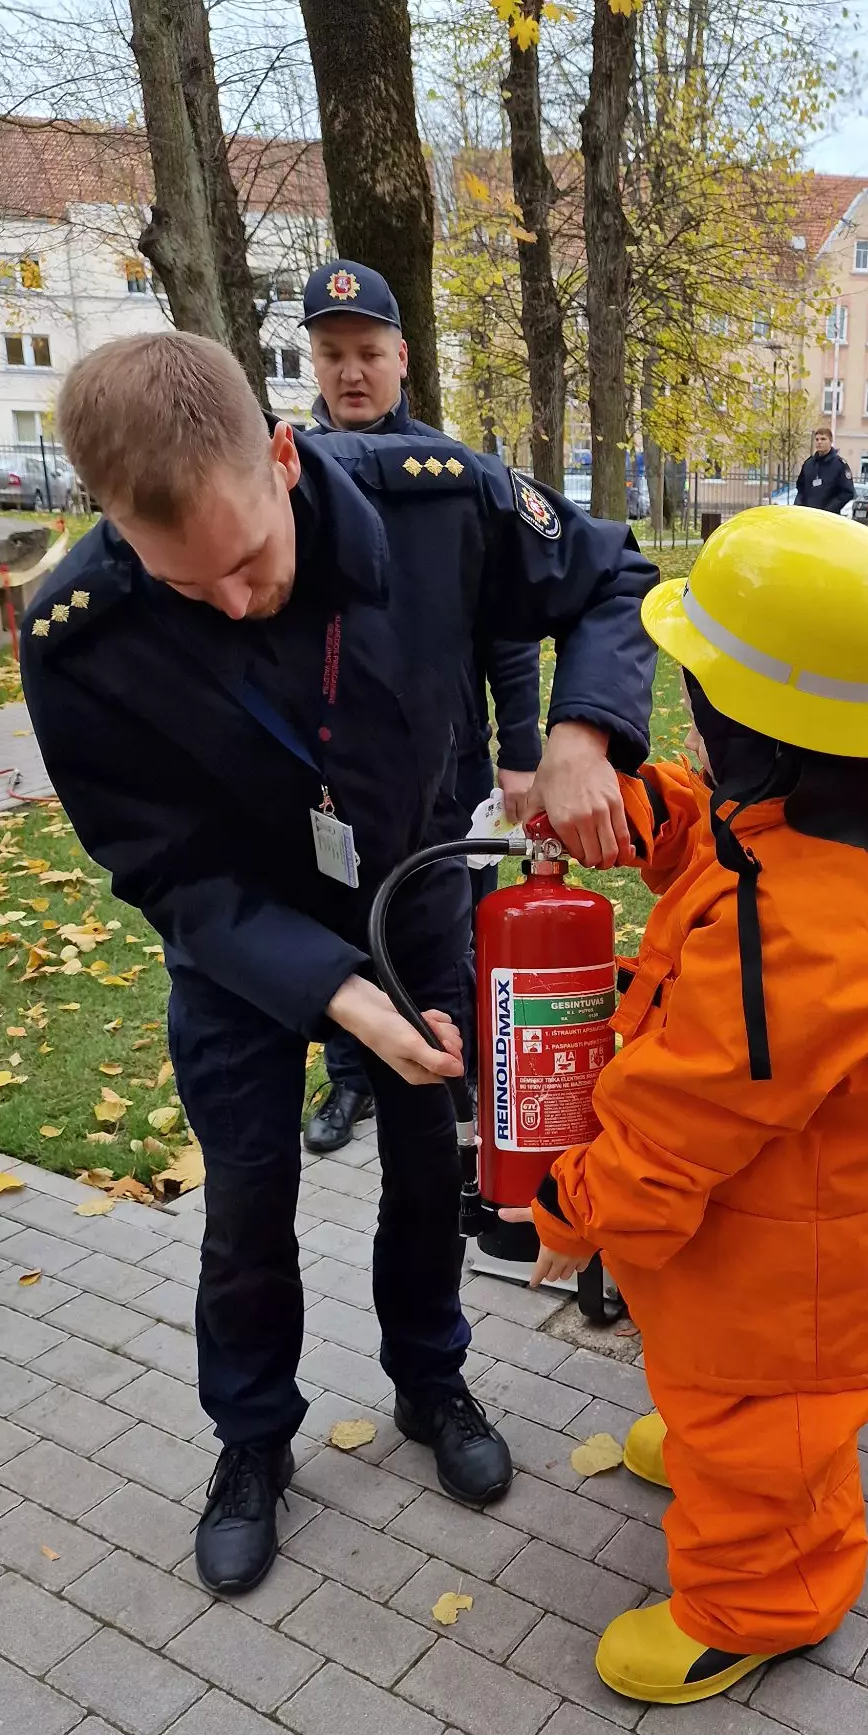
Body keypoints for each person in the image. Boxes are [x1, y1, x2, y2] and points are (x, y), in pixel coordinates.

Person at [20, 331, 656, 1597]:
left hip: (414, 894)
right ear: (112, 526)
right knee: (248, 1199)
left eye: (250, 560)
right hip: (240, 943)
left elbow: (609, 577)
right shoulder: (77, 637)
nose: (237, 601)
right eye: (191, 587)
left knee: (430, 1165)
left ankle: (431, 1375)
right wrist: (335, 993)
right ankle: (252, 1439)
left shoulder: (437, 502)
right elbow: (164, 870)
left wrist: (584, 730)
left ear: (282, 452)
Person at [503, 506, 868, 1702]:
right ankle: (730, 1458)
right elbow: (716, 835)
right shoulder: (800, 821)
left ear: (762, 726)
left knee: (766, 1426)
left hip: (794, 1271)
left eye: (705, 692)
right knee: (728, 1396)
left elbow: (673, 1125)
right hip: (757, 1240)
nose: (692, 719)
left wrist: (568, 1209)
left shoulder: (799, 941)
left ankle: (765, 1603)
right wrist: (632, 805)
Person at [298, 257, 541, 1154]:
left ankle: (457, 1067)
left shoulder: (456, 480)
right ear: (313, 362)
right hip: (332, 774)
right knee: (342, 928)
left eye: (368, 351)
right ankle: (351, 1081)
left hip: (451, 767)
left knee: (458, 930)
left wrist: (521, 750)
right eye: (332, 354)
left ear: (403, 356)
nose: (351, 372)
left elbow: (508, 628)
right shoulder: (289, 477)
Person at [795, 426, 855, 513]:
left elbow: (847, 492)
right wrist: (799, 506)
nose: (819, 442)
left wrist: (829, 509)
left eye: (823, 439)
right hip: (808, 515)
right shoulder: (809, 464)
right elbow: (801, 488)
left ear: (830, 441)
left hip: (828, 516)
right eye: (817, 439)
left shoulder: (839, 465)